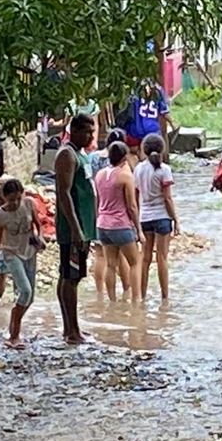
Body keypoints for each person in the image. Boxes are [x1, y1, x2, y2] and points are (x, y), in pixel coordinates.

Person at [55, 113, 98, 344]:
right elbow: (64, 192)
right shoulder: (67, 154)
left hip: (84, 225)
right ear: (75, 131)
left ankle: (70, 328)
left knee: (72, 276)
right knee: (70, 276)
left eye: (92, 132)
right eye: (88, 132)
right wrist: (75, 229)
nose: (91, 136)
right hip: (74, 227)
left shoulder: (82, 155)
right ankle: (72, 330)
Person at [0, 179, 44, 349]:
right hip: (11, 253)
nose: (15, 203)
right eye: (11, 200)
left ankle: (13, 323)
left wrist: (40, 237)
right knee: (25, 290)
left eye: (17, 199)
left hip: (29, 251)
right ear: (4, 197)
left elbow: (38, 224)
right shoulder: (0, 215)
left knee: (30, 297)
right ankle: (14, 335)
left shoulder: (28, 203)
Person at [94, 141, 143, 303]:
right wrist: (139, 230)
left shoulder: (100, 174)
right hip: (120, 224)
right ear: (124, 157)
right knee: (135, 263)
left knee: (110, 264)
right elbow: (132, 206)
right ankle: (136, 300)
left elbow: (98, 200)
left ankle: (112, 301)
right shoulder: (125, 176)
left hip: (103, 224)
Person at [135, 133, 180, 302]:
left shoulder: (138, 169)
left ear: (144, 150)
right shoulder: (164, 170)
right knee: (162, 257)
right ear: (162, 149)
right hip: (162, 217)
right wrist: (175, 219)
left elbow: (136, 194)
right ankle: (165, 297)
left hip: (145, 217)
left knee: (145, 258)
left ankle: (143, 295)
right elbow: (167, 198)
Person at [121, 80, 175, 162]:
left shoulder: (135, 90)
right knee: (151, 154)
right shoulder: (158, 90)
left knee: (138, 155)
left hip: (137, 128)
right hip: (152, 129)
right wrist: (173, 124)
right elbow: (164, 112)